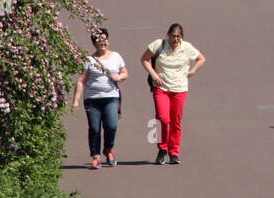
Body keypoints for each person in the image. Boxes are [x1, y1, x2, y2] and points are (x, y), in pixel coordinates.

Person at [141, 23, 205, 165]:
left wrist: (192, 71)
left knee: (175, 121)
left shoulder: (186, 47)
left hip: (179, 88)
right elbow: (144, 59)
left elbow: (201, 58)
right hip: (161, 87)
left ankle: (174, 152)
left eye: (178, 37)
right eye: (173, 36)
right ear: (168, 35)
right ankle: (162, 149)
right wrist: (153, 74)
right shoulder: (159, 44)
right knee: (163, 118)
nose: (175, 39)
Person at [72, 27, 128, 170]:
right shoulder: (89, 60)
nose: (101, 43)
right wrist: (76, 101)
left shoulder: (116, 56)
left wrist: (119, 77)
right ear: (93, 43)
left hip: (111, 97)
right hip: (92, 99)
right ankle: (96, 156)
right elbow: (81, 81)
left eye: (103, 39)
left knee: (111, 125)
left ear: (107, 40)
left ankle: (108, 149)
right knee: (94, 128)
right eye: (98, 40)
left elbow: (125, 73)